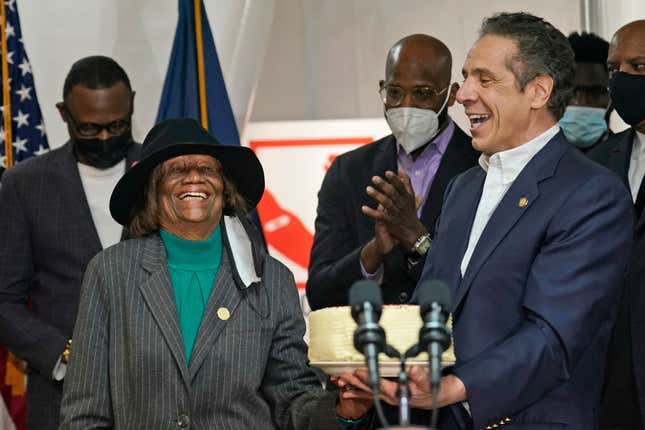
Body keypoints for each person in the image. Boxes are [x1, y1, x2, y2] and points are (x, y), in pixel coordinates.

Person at [339, 12, 633, 429]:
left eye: (485, 79)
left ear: (537, 91)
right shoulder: (464, 188)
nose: (463, 95)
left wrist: (455, 388)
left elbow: (552, 336)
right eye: (466, 77)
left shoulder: (591, 195)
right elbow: (433, 307)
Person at [58, 118, 364, 429]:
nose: (194, 179)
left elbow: (292, 399)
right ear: (153, 188)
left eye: (207, 170)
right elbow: (85, 411)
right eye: (177, 171)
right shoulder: (110, 273)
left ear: (224, 186)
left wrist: (342, 409)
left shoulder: (271, 279)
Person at [0, 56, 140, 430]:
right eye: (91, 129)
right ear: (64, 114)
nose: (107, 138)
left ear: (132, 104)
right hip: (63, 397)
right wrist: (66, 355)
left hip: (158, 391)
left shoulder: (163, 172)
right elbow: (4, 299)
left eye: (118, 125)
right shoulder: (25, 185)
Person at [307, 34, 479, 309]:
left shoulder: (481, 166)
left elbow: (485, 291)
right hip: (369, 346)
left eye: (422, 94)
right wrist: (373, 253)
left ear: (451, 94)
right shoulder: (348, 172)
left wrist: (416, 237)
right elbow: (319, 293)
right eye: (395, 93)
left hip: (453, 346)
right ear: (383, 89)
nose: (406, 106)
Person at [589, 19, 645, 430]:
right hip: (611, 384)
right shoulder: (595, 163)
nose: (621, 80)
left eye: (639, 67)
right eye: (614, 69)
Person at [558, 32, 612, 152]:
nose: (583, 101)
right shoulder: (525, 160)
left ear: (612, 97)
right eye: (572, 92)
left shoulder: (631, 160)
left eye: (596, 92)